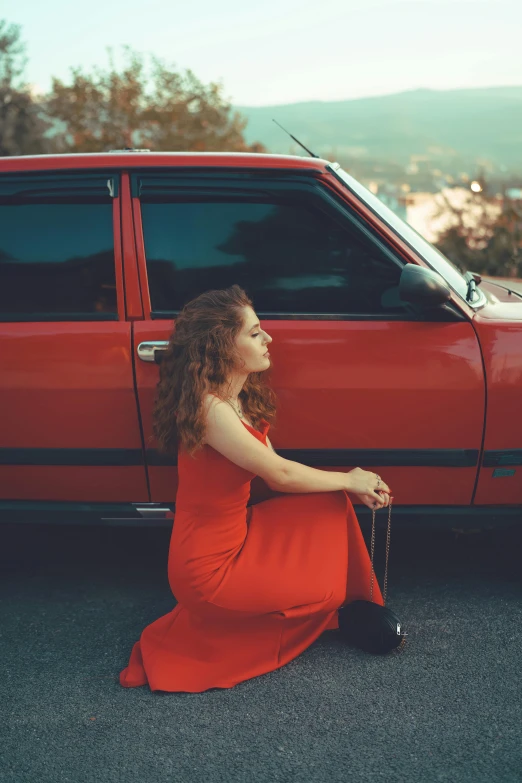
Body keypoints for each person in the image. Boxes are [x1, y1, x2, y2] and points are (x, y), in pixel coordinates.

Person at [119, 285, 391, 693]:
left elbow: (279, 473)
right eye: (254, 332)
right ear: (222, 346)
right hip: (209, 570)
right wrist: (352, 479)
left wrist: (345, 488)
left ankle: (358, 608)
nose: (269, 339)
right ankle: (335, 606)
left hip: (238, 534)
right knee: (321, 580)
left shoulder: (237, 397)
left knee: (329, 502)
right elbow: (279, 475)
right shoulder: (210, 409)